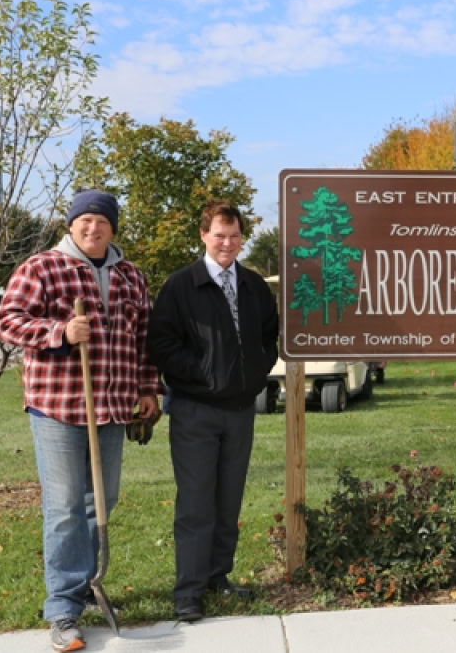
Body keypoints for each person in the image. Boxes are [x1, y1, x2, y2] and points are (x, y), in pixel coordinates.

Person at [0, 189, 160, 652]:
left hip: (111, 407)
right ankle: (63, 608)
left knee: (101, 501)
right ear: (71, 225)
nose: (93, 228)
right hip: (59, 408)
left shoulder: (130, 275)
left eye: (102, 221)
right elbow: (6, 320)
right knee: (66, 505)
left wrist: (149, 388)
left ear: (113, 227)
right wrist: (59, 332)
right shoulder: (42, 267)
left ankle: (87, 583)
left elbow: (144, 337)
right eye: (85, 220)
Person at [147, 201, 279, 623]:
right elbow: (162, 344)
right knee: (196, 502)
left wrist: (254, 375)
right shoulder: (181, 286)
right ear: (204, 235)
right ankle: (188, 590)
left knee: (229, 497)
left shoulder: (255, 286)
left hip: (240, 411)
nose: (227, 243)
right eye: (220, 235)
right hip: (195, 410)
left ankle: (218, 575)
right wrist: (204, 374)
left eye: (235, 236)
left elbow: (268, 337)